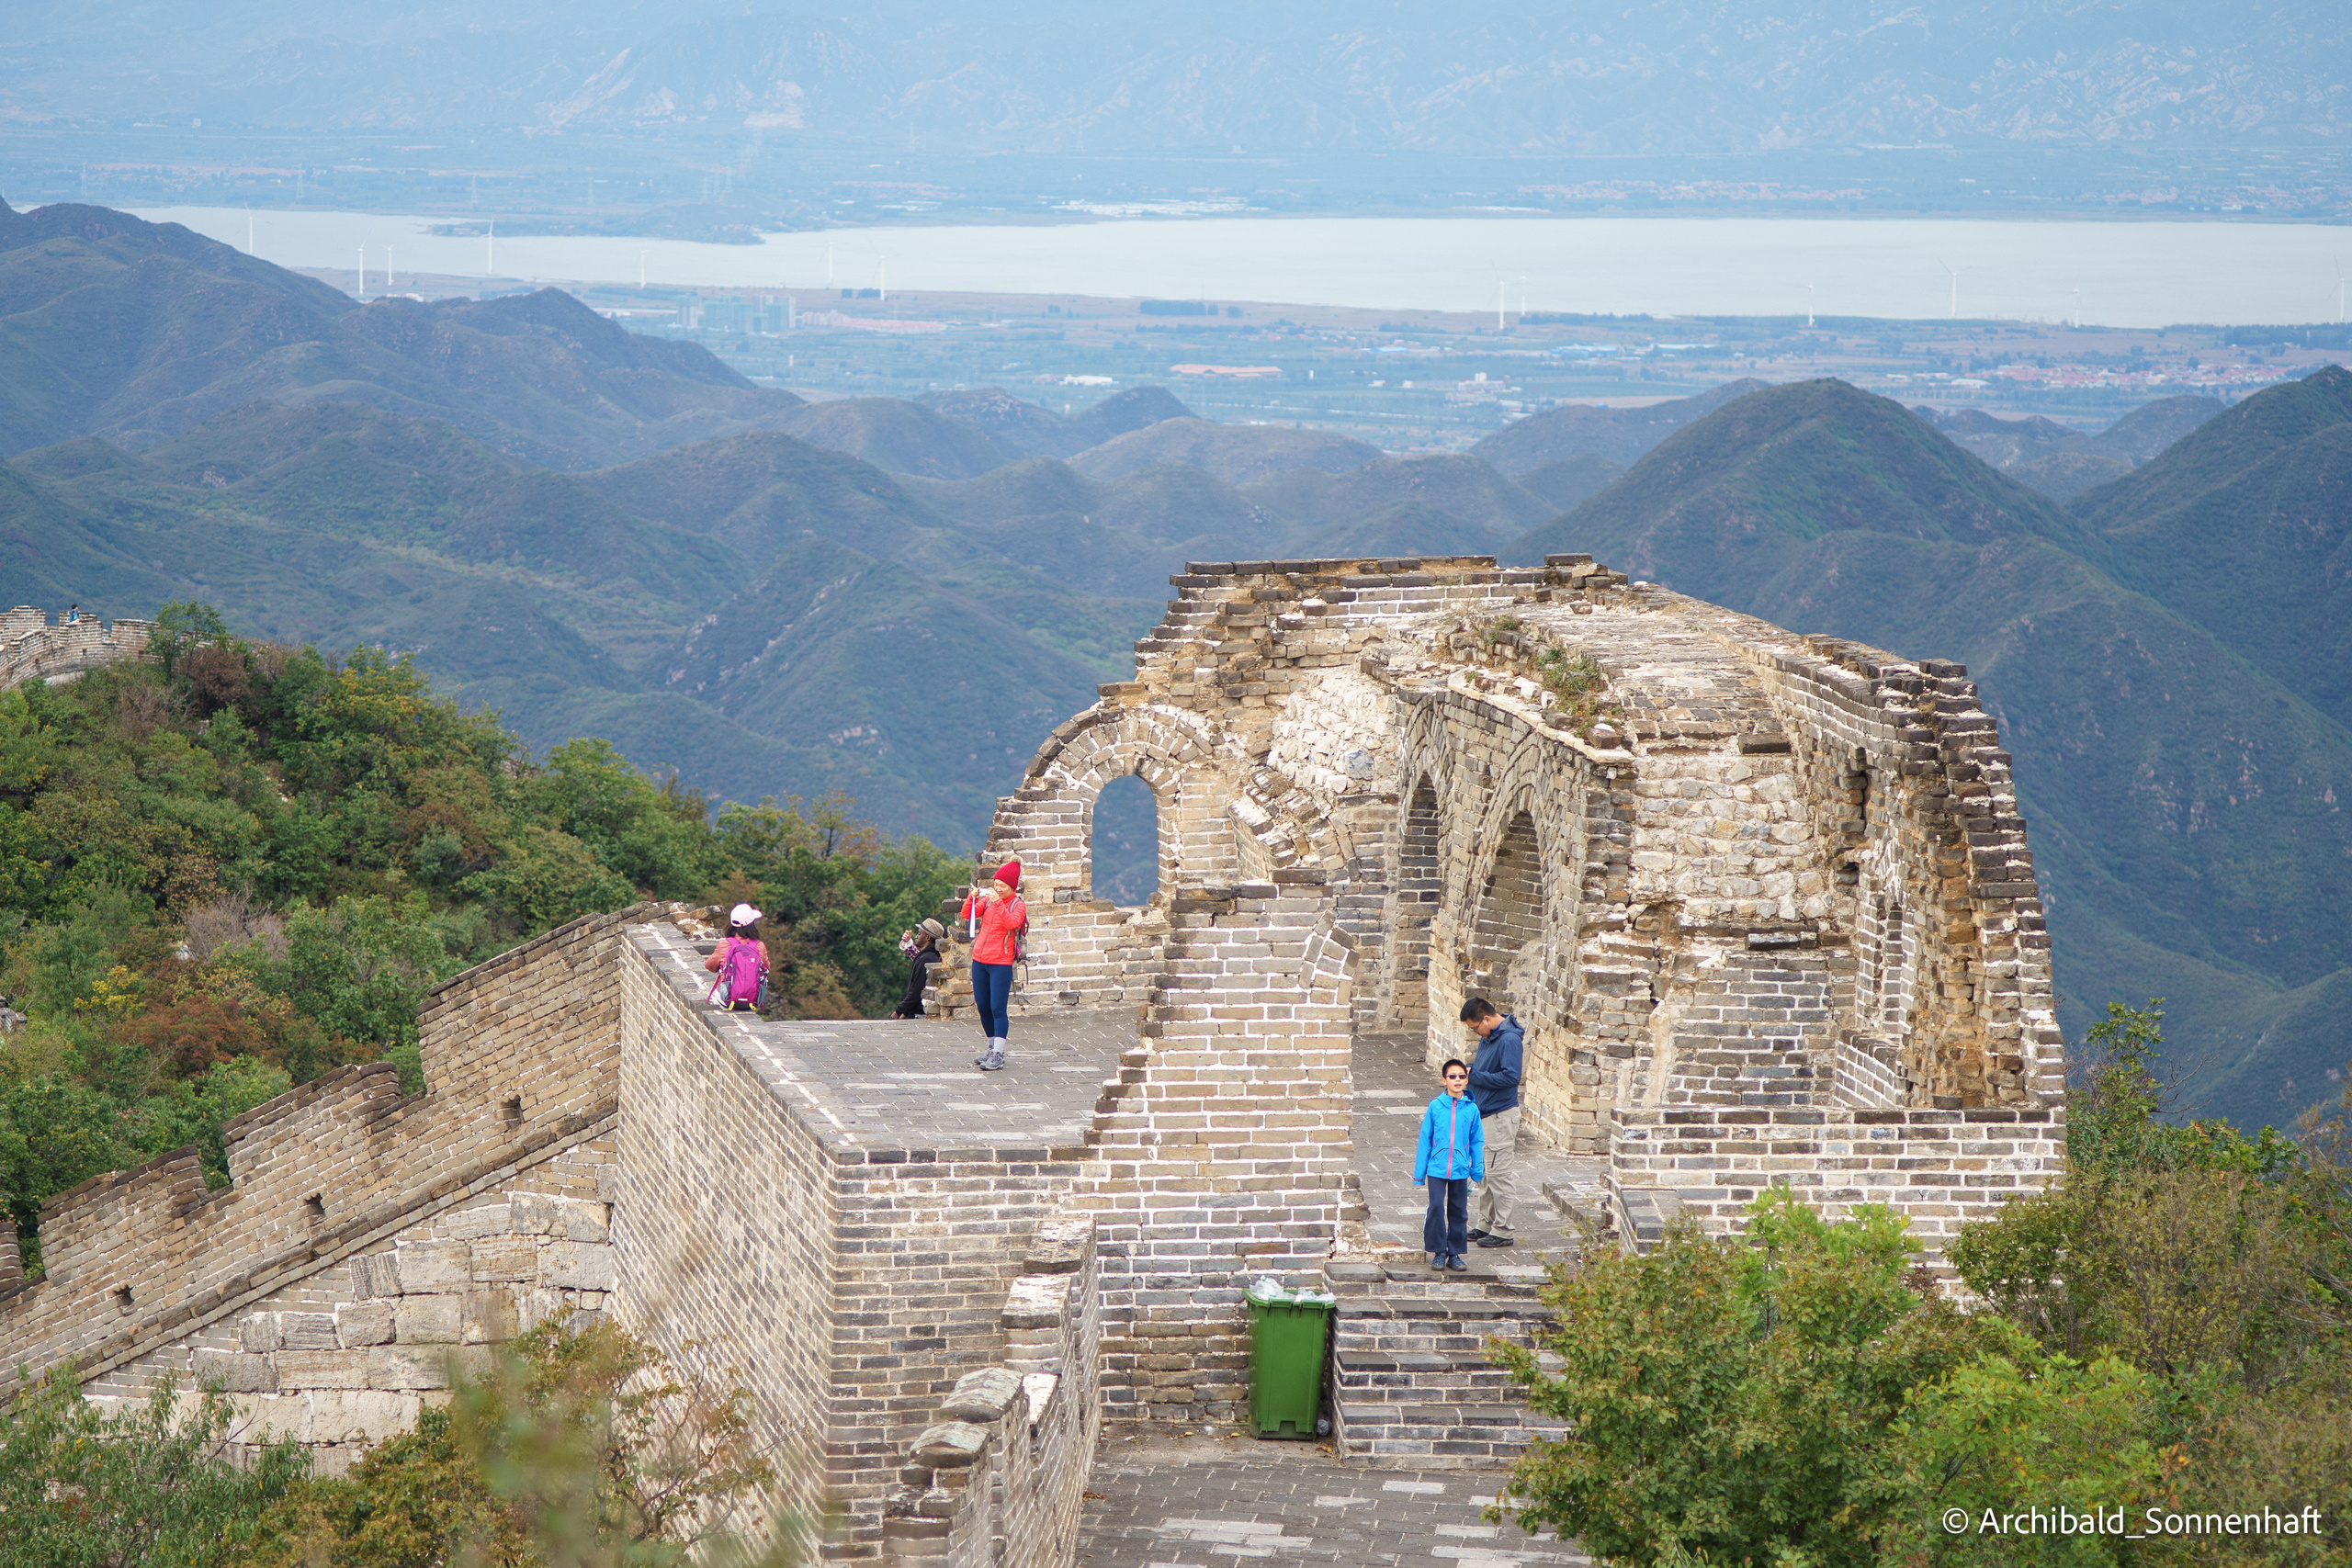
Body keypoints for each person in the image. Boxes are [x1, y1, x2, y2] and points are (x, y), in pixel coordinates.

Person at [1460, 998, 1524, 1247]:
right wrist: (1470, 1070)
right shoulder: (1489, 1038)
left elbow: (1510, 1078)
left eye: (1475, 1028)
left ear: (1486, 1018)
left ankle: (1504, 1229)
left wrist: (1475, 1075)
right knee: (1484, 1174)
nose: (1475, 1032)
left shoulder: (1508, 1040)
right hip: (1484, 1113)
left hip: (1500, 1116)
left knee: (1498, 1174)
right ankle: (1486, 1222)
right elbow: (1487, 1070)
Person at [1413, 1058, 1484, 1273]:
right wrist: (1419, 1173)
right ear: (1444, 1080)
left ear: (1467, 1080)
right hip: (1437, 1167)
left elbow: (1476, 1140)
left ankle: (1455, 1253)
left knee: (1458, 1211)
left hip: (1460, 1168)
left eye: (1462, 1076)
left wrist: (1477, 1168)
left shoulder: (1472, 1110)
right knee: (1436, 1207)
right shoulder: (1435, 1107)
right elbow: (1425, 1139)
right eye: (1452, 1076)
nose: (1457, 1080)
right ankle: (1438, 1251)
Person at [959, 861, 1027, 1071]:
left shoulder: (1018, 904)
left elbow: (1012, 924)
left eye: (1002, 886)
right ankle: (990, 1047)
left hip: (1000, 962)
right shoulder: (989, 902)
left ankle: (999, 1053)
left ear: (1012, 887)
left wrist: (998, 902)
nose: (998, 889)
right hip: (980, 960)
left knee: (998, 1008)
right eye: (996, 884)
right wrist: (973, 897)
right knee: (983, 1007)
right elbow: (966, 915)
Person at [703, 902, 770, 1012]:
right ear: (752, 925)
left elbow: (709, 966)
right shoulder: (759, 946)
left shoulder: (724, 944)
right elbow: (766, 968)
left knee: (717, 991)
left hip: (726, 999)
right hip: (752, 1001)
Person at [892, 918, 946, 1019]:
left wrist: (899, 1011)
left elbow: (916, 991)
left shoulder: (926, 958)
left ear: (927, 938)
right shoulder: (928, 956)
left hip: (919, 1014)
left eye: (919, 933)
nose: (916, 936)